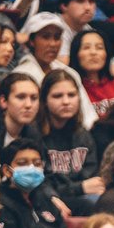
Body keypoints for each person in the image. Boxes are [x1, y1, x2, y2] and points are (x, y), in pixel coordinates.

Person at [0, 137, 79, 228]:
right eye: (23, 163)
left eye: (37, 163)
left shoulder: (45, 198)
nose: (31, 168)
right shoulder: (1, 204)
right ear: (7, 171)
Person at [13, 12, 98, 129]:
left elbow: (88, 117)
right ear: (32, 41)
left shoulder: (69, 73)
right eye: (46, 37)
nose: (52, 44)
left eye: (57, 37)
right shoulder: (20, 75)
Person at [35, 68, 102, 212]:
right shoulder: (35, 135)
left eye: (71, 95)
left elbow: (91, 178)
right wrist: (79, 187)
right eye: (57, 96)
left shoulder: (83, 135)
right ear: (44, 100)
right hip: (50, 199)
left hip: (81, 196)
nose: (66, 102)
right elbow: (41, 184)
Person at [70, 28, 114, 119]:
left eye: (99, 48)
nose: (93, 52)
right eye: (86, 47)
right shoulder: (72, 88)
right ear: (76, 54)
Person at [0, 72, 43, 150]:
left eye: (34, 98)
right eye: (21, 97)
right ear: (3, 101)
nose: (28, 105)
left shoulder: (34, 133)